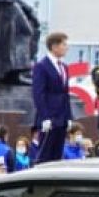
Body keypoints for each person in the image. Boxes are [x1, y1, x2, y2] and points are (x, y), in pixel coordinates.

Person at [31, 31, 72, 165]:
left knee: (57, 155)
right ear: (54, 46)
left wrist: (69, 116)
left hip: (62, 118)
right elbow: (38, 94)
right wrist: (45, 117)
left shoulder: (64, 67)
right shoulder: (42, 66)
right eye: (64, 44)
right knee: (45, 155)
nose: (66, 47)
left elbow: (65, 94)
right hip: (49, 118)